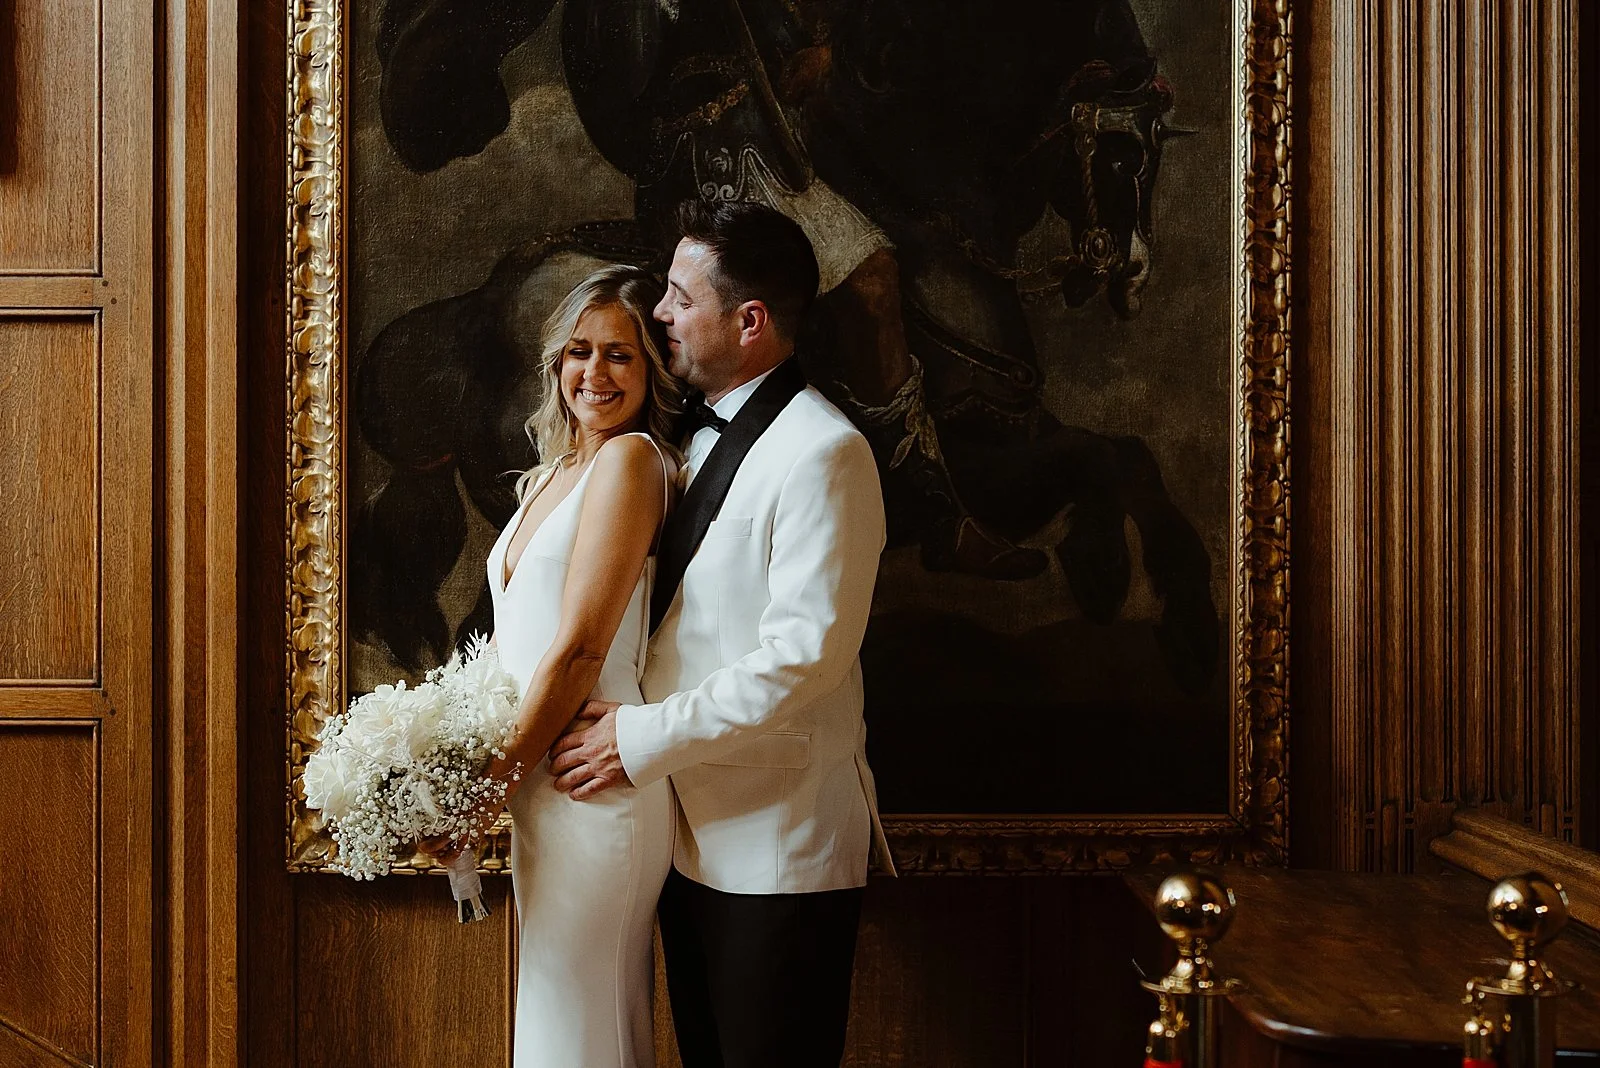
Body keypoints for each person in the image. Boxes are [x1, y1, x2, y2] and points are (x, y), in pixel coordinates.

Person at [549, 200, 894, 1068]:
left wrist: (637, 738)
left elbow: (804, 659)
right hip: (680, 839)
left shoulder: (825, 452)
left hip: (776, 847)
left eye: (680, 295)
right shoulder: (670, 440)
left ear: (750, 322)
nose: (659, 311)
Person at [434, 264, 683, 1067]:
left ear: (652, 369)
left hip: (591, 786)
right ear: (555, 361)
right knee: (559, 1024)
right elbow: (517, 644)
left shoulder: (631, 461)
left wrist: (485, 792)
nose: (596, 373)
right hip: (539, 786)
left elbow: (579, 650)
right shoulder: (553, 473)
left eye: (621, 354)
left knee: (582, 1031)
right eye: (580, 351)